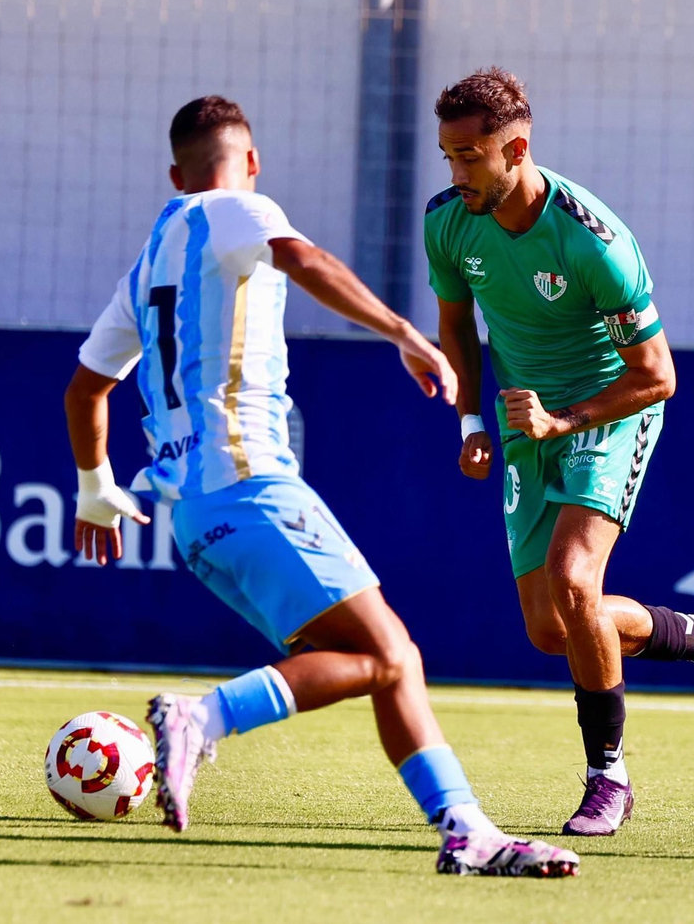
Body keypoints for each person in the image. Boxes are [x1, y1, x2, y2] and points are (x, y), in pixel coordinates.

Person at [64, 95, 578, 878]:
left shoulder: (146, 267)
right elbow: (306, 261)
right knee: (390, 652)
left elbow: (84, 390)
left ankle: (466, 833)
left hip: (195, 520)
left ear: (175, 175)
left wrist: (93, 484)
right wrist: (402, 331)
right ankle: (200, 717)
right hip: (250, 485)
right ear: (251, 161)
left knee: (377, 660)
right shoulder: (238, 209)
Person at [425, 67, 694, 836]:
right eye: (447, 156)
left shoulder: (594, 240)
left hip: (609, 412)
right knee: (552, 629)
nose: (455, 174)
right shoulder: (447, 221)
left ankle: (607, 778)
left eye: (469, 157)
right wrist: (471, 423)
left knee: (574, 580)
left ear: (516, 150)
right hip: (526, 425)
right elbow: (455, 328)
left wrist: (564, 420)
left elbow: (658, 377)